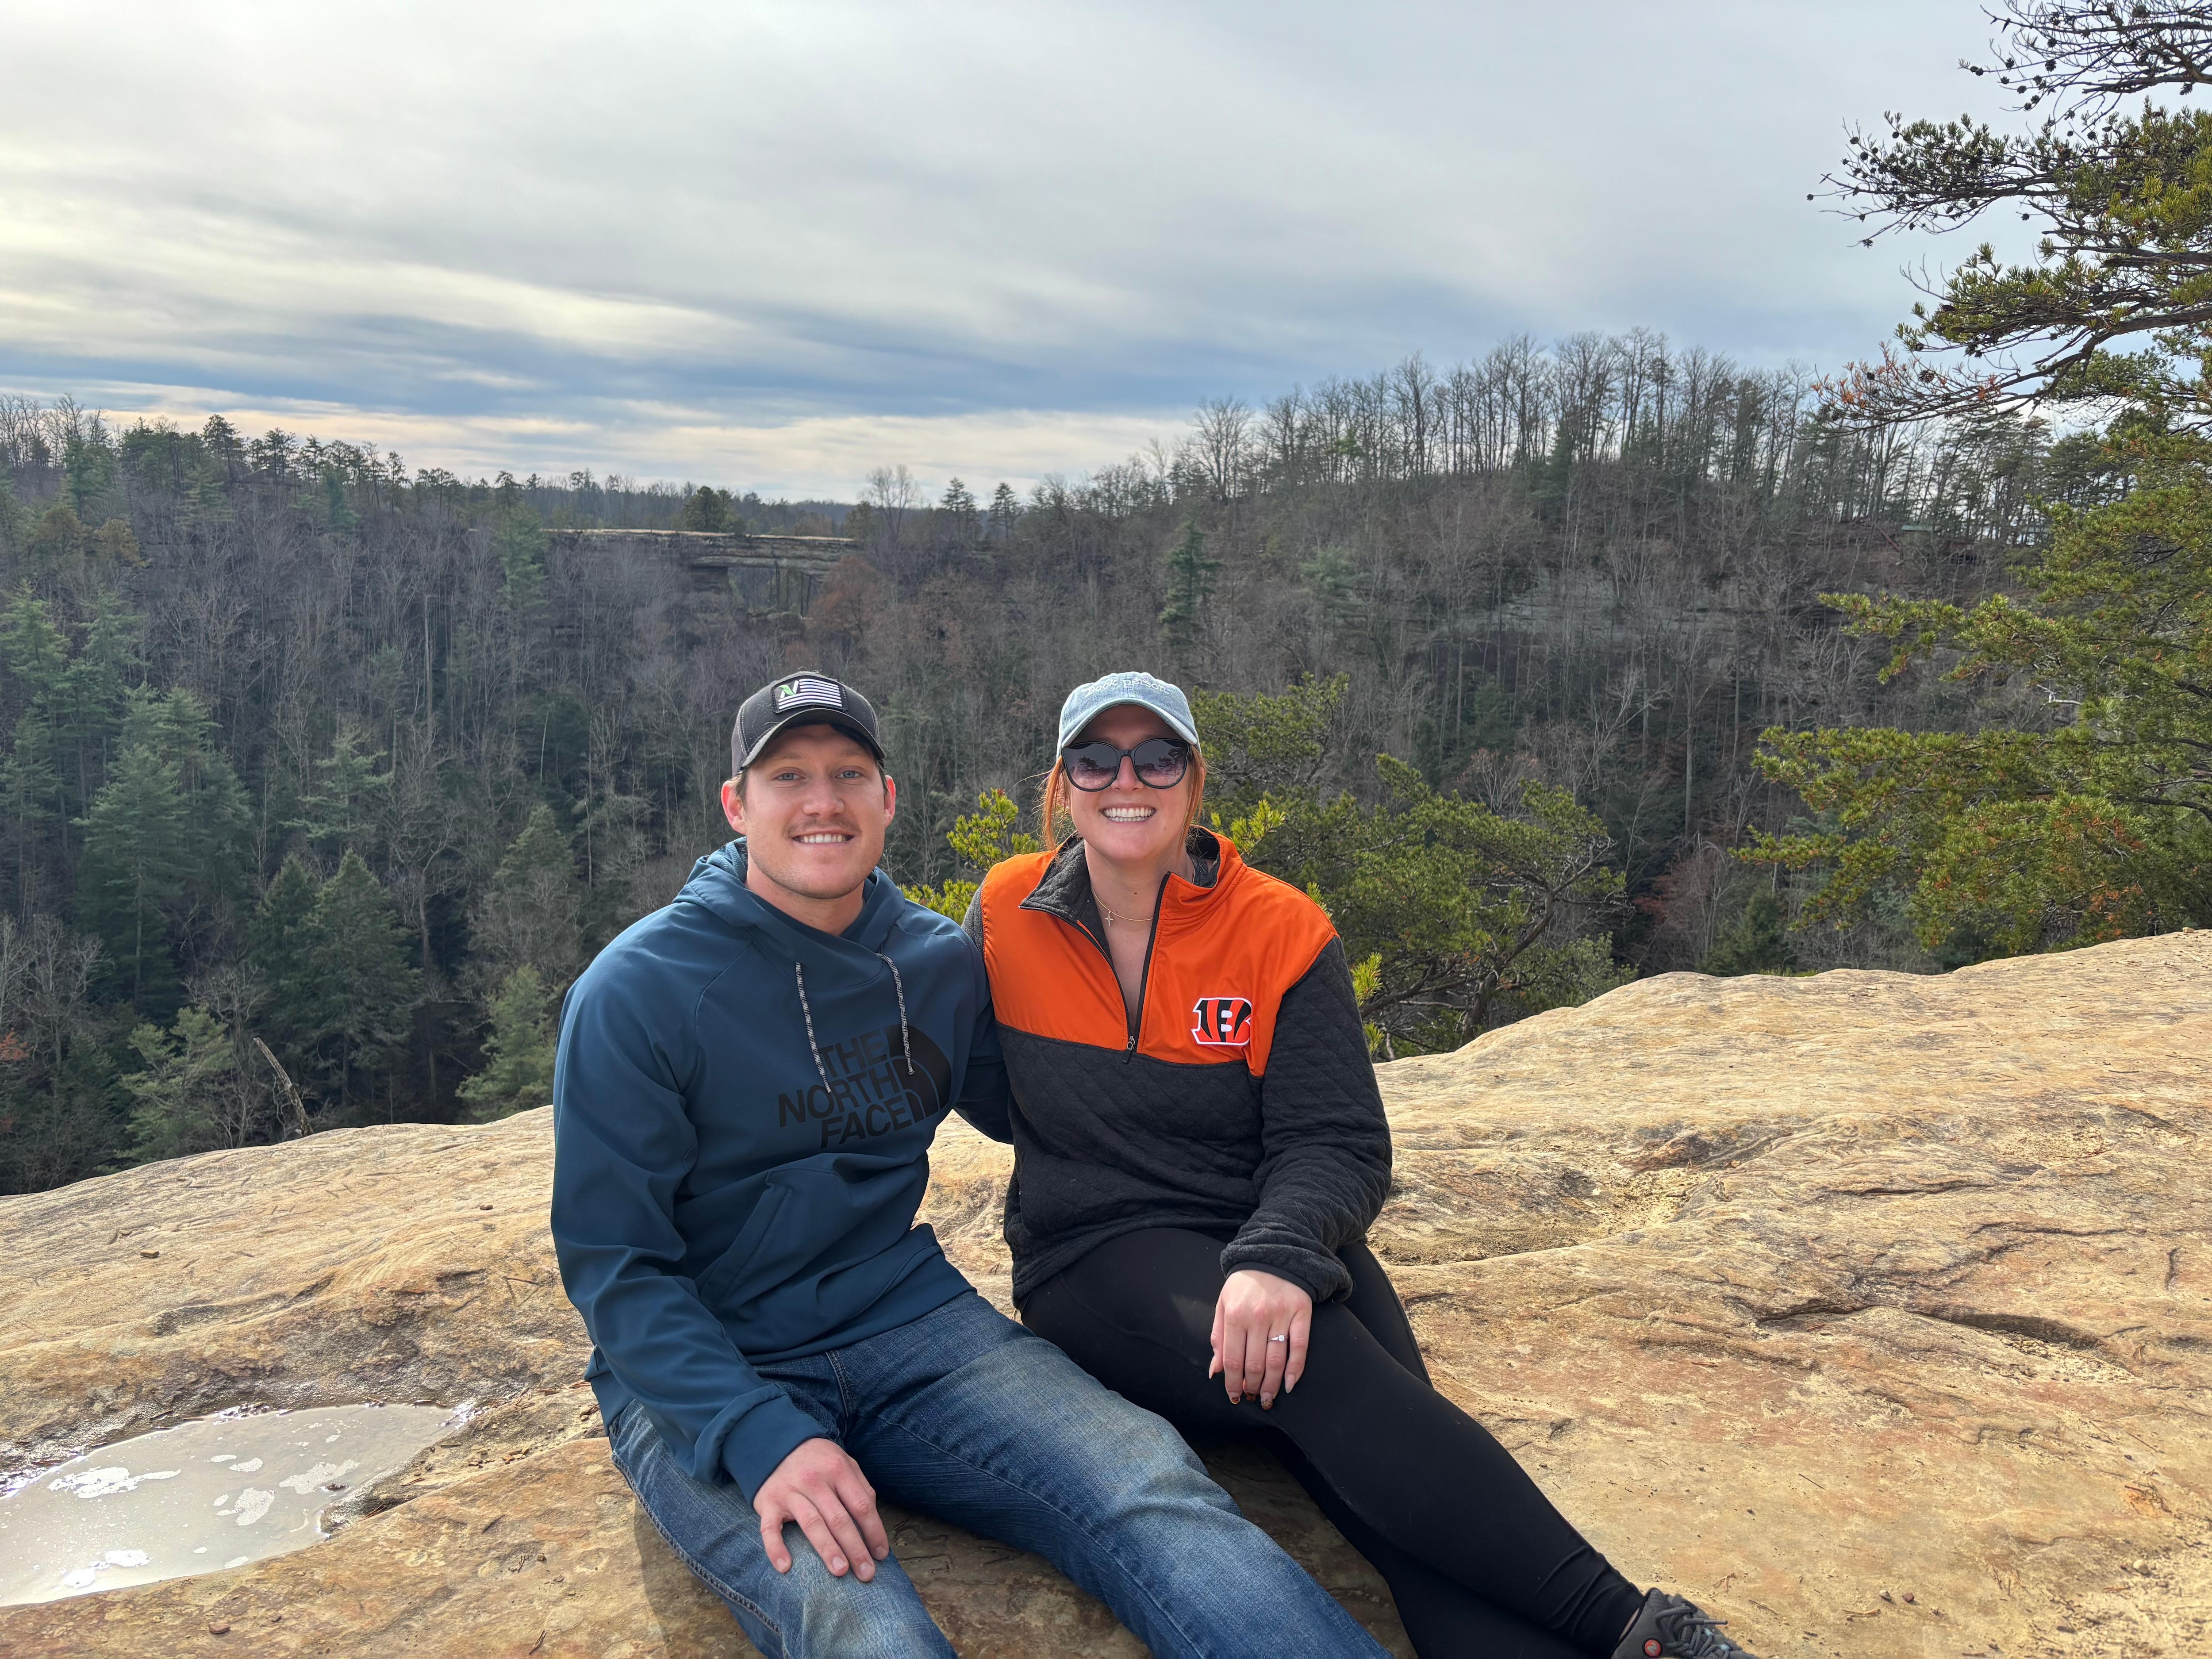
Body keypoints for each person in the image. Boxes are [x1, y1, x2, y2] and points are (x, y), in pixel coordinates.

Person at [550, 669, 1390, 1659]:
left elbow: (1047, 1109)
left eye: (848, 774)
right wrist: (755, 1431)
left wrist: (1270, 1217)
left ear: (887, 798)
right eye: (788, 777)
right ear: (738, 804)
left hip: (911, 1326)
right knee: (862, 1621)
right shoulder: (637, 991)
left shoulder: (932, 962)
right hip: (713, 1363)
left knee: (1145, 1481)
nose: (822, 802)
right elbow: (615, 1263)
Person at [957, 669, 1762, 1659]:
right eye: (1095, 759)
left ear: (1193, 779)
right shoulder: (1006, 910)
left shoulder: (1280, 930)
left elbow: (1337, 1140)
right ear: (1063, 784)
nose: (1126, 780)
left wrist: (1280, 1253)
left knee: (1395, 1479)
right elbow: (971, 1080)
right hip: (1097, 1255)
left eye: (1156, 758)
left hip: (1265, 1234)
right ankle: (1640, 1631)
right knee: (1324, 1379)